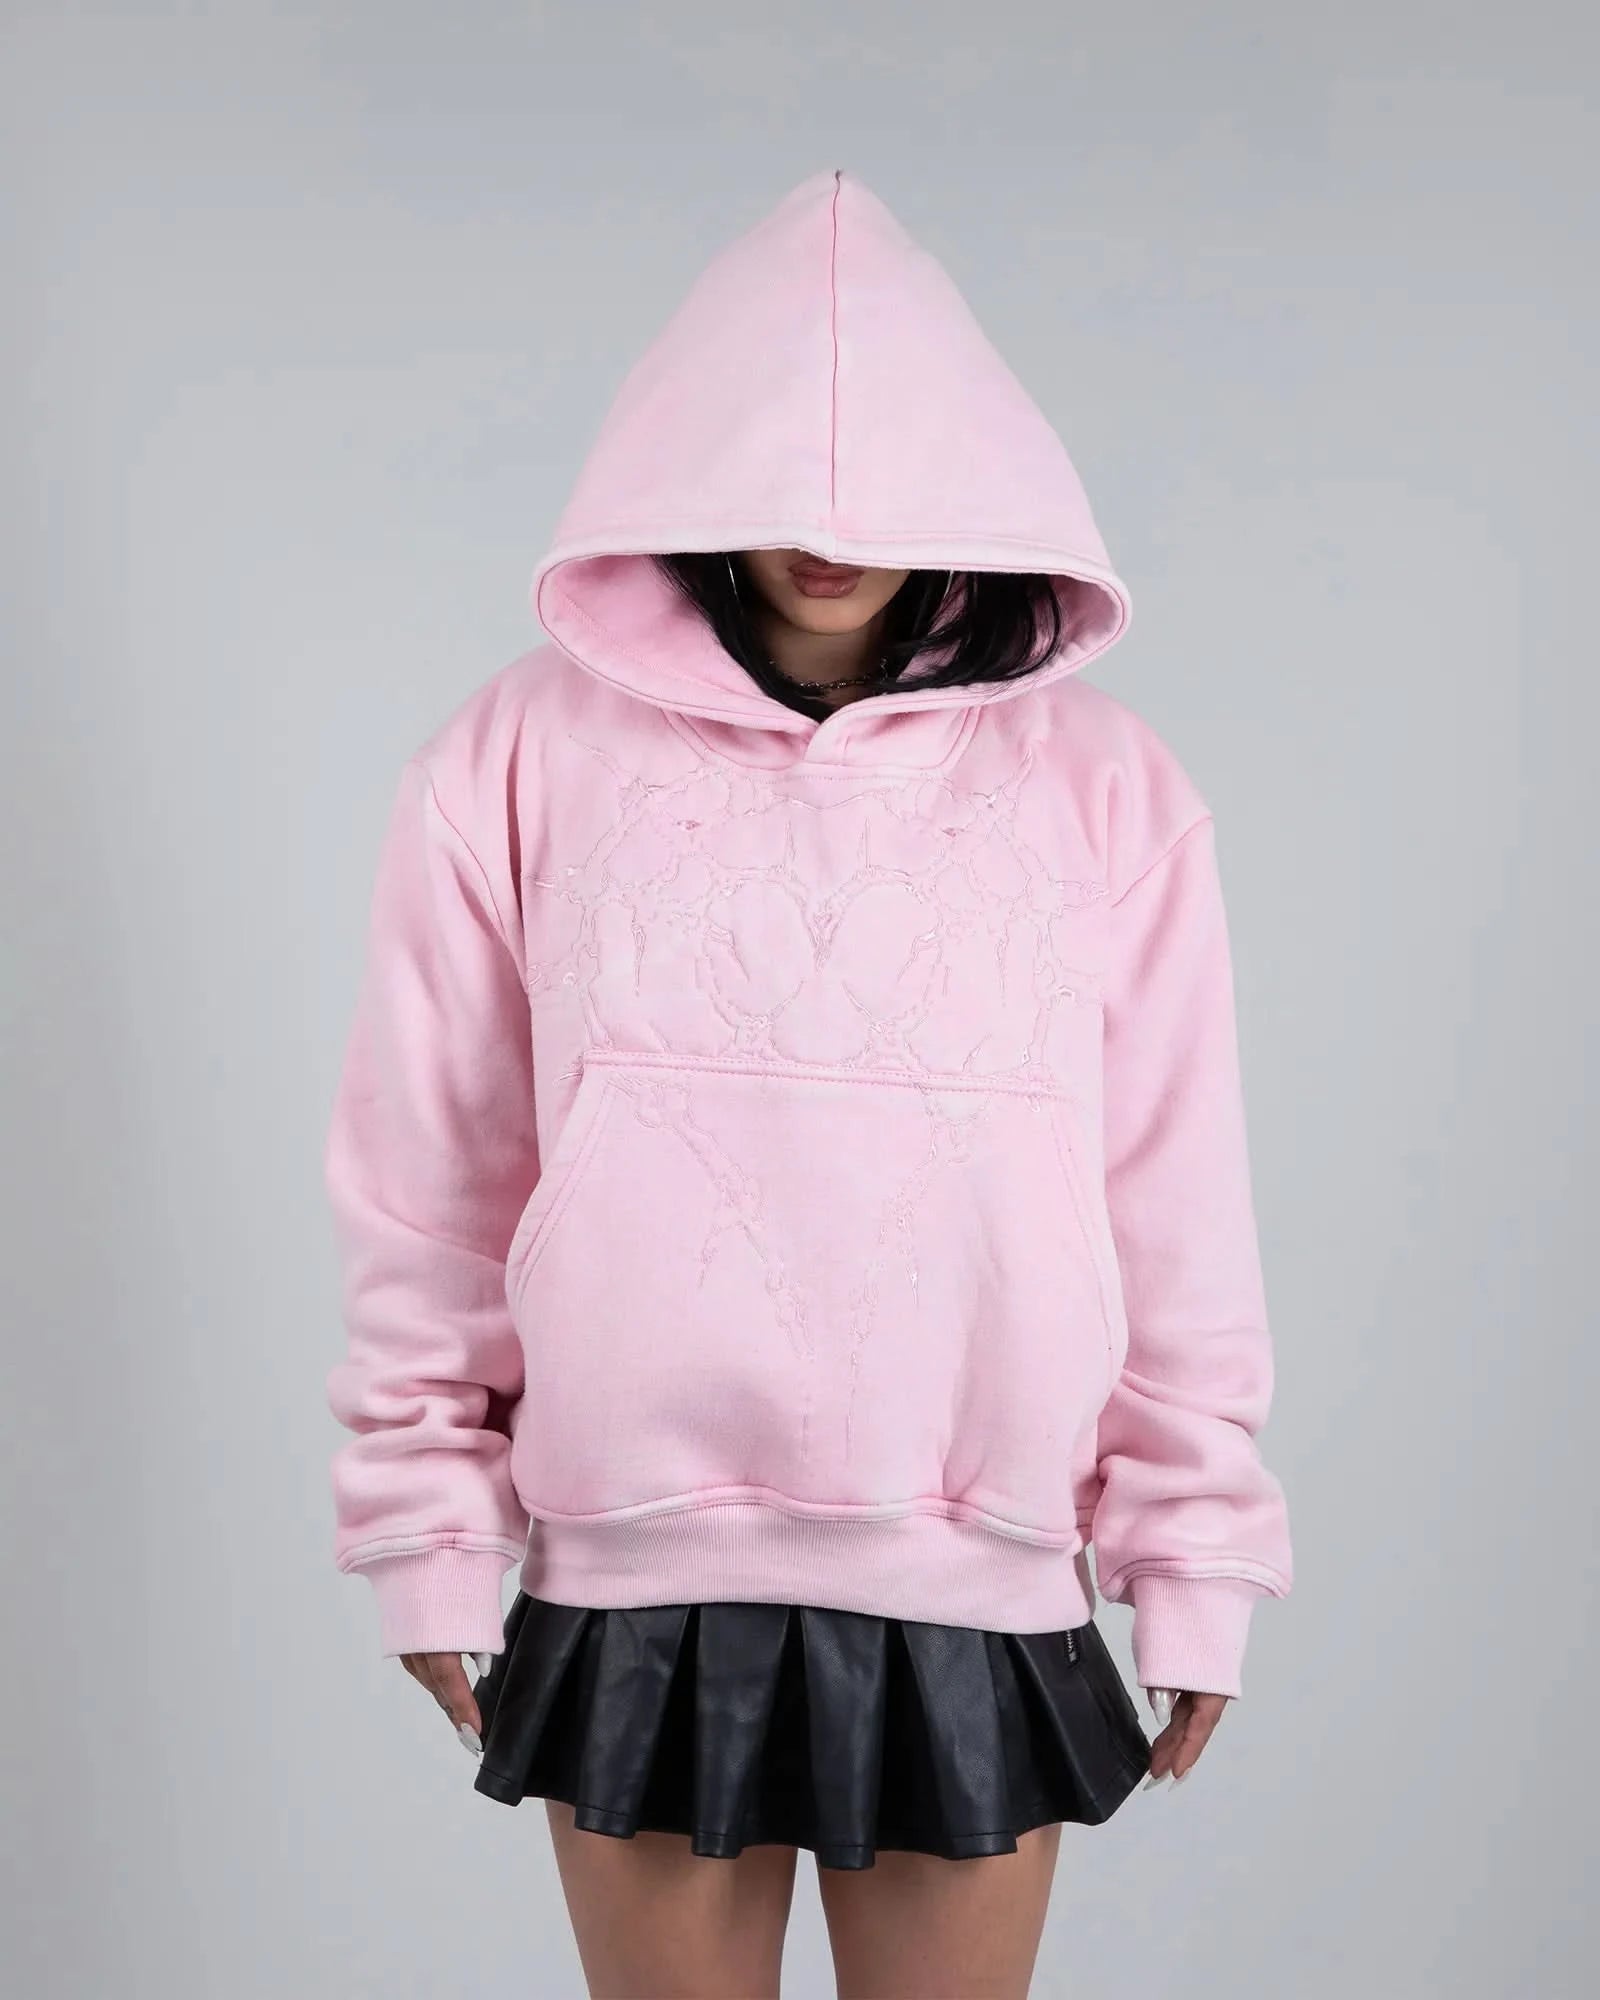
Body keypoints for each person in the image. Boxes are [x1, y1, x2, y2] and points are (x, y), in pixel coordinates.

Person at [322, 166, 1293, 1999]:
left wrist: (1195, 1547)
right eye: (779, 473)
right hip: (637, 1569)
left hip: (976, 1566)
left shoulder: (1108, 792)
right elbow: (432, 1176)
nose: (830, 529)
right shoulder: (518, 756)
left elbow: (1173, 1198)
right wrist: (430, 1522)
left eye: (885, 477)